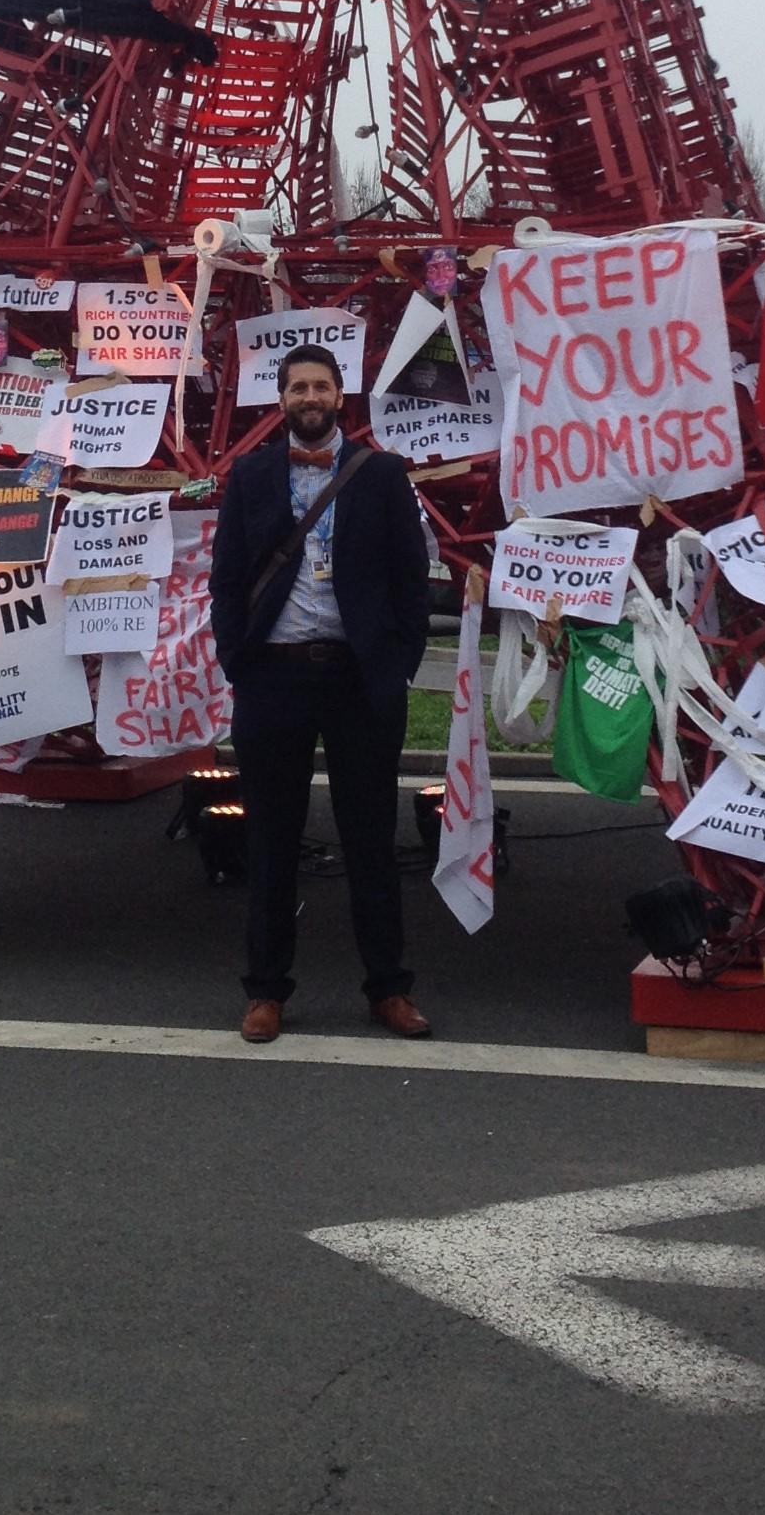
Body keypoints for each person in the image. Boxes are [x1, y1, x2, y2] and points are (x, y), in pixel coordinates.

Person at [209, 343, 433, 1044]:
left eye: (321, 386)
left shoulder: (384, 475)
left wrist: (396, 664)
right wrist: (236, 660)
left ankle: (388, 989)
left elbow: (410, 579)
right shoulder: (250, 475)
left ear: (341, 396)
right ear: (280, 400)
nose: (310, 397)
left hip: (357, 678)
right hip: (273, 676)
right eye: (297, 387)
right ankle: (266, 992)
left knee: (371, 838)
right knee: (271, 839)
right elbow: (225, 579)